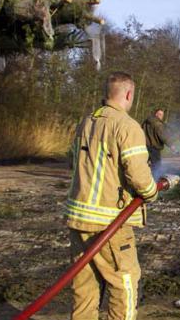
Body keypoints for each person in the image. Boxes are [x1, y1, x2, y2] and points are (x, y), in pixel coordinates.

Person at [66, 71, 158, 320]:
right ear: (128, 94)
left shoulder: (86, 122)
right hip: (110, 224)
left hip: (79, 221)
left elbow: (72, 161)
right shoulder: (127, 126)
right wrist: (151, 193)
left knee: (85, 287)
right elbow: (139, 177)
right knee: (124, 283)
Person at [142, 108, 177, 175]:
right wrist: (171, 146)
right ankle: (155, 182)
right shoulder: (158, 124)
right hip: (154, 149)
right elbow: (164, 136)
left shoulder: (145, 122)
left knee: (145, 165)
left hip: (144, 147)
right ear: (156, 114)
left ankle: (144, 180)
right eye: (160, 114)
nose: (161, 116)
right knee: (156, 167)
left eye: (162, 115)